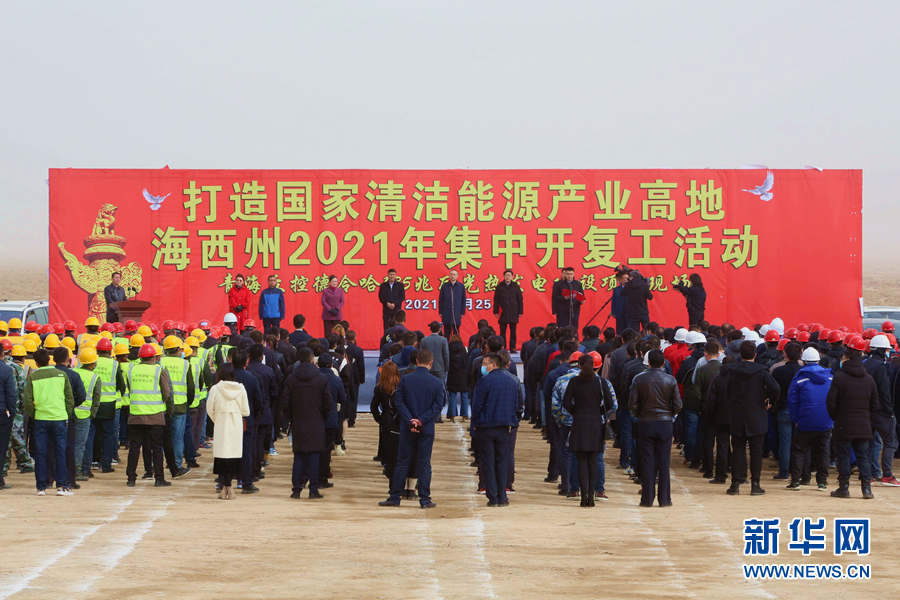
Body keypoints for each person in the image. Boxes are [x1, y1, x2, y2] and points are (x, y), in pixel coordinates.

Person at [379, 349, 445, 508]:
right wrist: (422, 420)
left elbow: (399, 402)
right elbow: (438, 406)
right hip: (426, 429)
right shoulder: (437, 383)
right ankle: (425, 499)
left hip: (406, 427)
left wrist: (410, 420)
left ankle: (395, 497)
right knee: (424, 464)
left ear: (416, 361)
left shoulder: (406, 380)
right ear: (431, 363)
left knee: (402, 462)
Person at [723, 341, 780, 496]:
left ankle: (735, 484)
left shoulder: (732, 371)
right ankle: (755, 485)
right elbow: (776, 388)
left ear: (740, 354)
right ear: (755, 354)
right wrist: (770, 401)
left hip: (737, 415)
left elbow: (727, 390)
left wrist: (732, 402)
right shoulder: (762, 371)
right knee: (756, 452)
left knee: (738, 450)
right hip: (757, 415)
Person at [629, 349, 681, 507]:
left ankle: (647, 499)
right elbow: (678, 404)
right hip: (664, 423)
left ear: (648, 363)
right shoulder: (670, 380)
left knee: (647, 461)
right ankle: (664, 499)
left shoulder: (639, 379)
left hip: (646, 423)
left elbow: (632, 404)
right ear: (663, 363)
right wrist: (669, 414)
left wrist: (640, 414)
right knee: (664, 462)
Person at [827, 338, 878, 499]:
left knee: (843, 457)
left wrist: (836, 417)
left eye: (843, 358)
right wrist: (866, 417)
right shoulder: (869, 379)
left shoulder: (839, 377)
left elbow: (830, 402)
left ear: (847, 360)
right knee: (863, 457)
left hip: (843, 424)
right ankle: (866, 489)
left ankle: (844, 488)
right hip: (863, 425)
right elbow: (875, 404)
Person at [563, 353, 616, 506]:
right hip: (595, 423)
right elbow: (610, 404)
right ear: (594, 366)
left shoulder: (574, 381)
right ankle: (592, 496)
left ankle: (583, 496)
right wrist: (598, 412)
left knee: (580, 461)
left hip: (579, 422)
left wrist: (577, 411)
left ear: (579, 366)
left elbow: (566, 403)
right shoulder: (601, 382)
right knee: (593, 461)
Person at [281, 347, 331, 499]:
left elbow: (285, 402)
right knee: (314, 456)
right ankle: (313, 489)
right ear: (313, 360)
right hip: (316, 422)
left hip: (298, 422)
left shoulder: (291, 379)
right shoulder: (322, 379)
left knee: (299, 456)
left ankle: (296, 489)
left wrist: (292, 417)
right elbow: (328, 403)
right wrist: (322, 417)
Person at [24, 349, 75, 496]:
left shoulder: (33, 377)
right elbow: (69, 398)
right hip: (59, 418)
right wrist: (65, 413)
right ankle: (62, 485)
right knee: (60, 452)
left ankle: (41, 487)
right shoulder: (62, 375)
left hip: (41, 419)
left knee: (40, 454)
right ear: (49, 359)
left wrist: (34, 415)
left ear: (36, 362)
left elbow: (27, 400)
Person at [471, 353, 520, 507]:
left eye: (485, 364)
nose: (483, 367)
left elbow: (478, 404)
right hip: (505, 427)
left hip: (486, 427)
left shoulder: (485, 381)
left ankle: (492, 497)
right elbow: (516, 405)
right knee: (502, 462)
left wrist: (475, 423)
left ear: (493, 365)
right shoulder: (512, 381)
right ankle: (502, 496)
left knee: (488, 462)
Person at [785, 347, 834, 492]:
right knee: (824, 452)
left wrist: (795, 418)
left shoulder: (800, 377)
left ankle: (795, 481)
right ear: (818, 360)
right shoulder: (830, 376)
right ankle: (822, 482)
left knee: (800, 451)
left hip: (805, 420)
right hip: (826, 420)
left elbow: (792, 400)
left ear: (803, 361)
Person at [125, 343, 173, 487]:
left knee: (134, 448)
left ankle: (131, 478)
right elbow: (166, 392)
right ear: (154, 358)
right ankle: (159, 478)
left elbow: (130, 389)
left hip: (135, 414)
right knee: (156, 447)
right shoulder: (159, 370)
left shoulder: (131, 370)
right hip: (155, 415)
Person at [206, 364, 250, 500]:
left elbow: (210, 409)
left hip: (221, 424)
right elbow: (246, 411)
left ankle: (226, 487)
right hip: (236, 424)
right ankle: (229, 488)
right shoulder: (241, 388)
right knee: (233, 455)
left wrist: (218, 418)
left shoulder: (215, 388)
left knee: (222, 456)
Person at [862, 334, 899, 486]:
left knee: (869, 443)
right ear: (882, 350)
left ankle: (868, 474)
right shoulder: (881, 367)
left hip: (867, 410)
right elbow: (884, 390)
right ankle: (887, 475)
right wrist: (890, 411)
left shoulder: (865, 364)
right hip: (881, 411)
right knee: (890, 442)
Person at [771, 343, 804, 480]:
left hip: (783, 408)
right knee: (798, 442)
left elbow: (773, 390)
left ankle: (784, 471)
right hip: (800, 410)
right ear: (800, 355)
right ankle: (797, 471)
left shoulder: (778, 371)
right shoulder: (803, 371)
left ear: (785, 354)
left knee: (785, 442)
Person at [232, 348, 263, 494]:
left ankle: (223, 481)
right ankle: (246, 482)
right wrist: (253, 416)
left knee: (227, 450)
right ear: (247, 361)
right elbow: (259, 401)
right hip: (246, 419)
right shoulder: (252, 379)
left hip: (227, 419)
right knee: (246, 451)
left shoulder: (224, 378)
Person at [420, 322, 449, 423]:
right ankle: (438, 416)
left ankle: (427, 415)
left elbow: (421, 355)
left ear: (430, 329)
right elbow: (446, 355)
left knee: (427, 392)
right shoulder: (443, 340)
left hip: (427, 369)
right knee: (439, 393)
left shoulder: (424, 340)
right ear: (440, 329)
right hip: (440, 369)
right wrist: (446, 367)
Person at [0, 357, 19, 490]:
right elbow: (11, 393)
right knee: (1, 448)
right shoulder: (7, 370)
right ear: (2, 355)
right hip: (2, 413)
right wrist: (12, 412)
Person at [493, 269, 524, 352]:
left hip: (513, 311)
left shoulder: (516, 286)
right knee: (502, 331)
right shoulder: (499, 286)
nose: (508, 277)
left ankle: (512, 348)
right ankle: (503, 347)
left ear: (512, 277)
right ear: (503, 276)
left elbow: (520, 299)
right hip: (503, 312)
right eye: (506, 275)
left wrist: (520, 311)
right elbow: (496, 300)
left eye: (509, 275)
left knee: (513, 331)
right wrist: (496, 311)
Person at [446, 334, 470, 421]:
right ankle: (465, 415)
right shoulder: (465, 349)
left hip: (452, 375)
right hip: (463, 376)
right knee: (464, 395)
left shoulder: (448, 349)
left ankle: (452, 415)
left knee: (452, 395)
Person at [438, 269, 466, 338]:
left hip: (457, 312)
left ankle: (456, 344)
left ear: (457, 276)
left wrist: (462, 312)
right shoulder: (445, 286)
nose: (453, 276)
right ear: (449, 276)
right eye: (451, 274)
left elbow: (463, 300)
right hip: (446, 312)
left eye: (454, 274)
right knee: (447, 333)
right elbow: (441, 300)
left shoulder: (461, 286)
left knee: (456, 333)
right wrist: (440, 312)